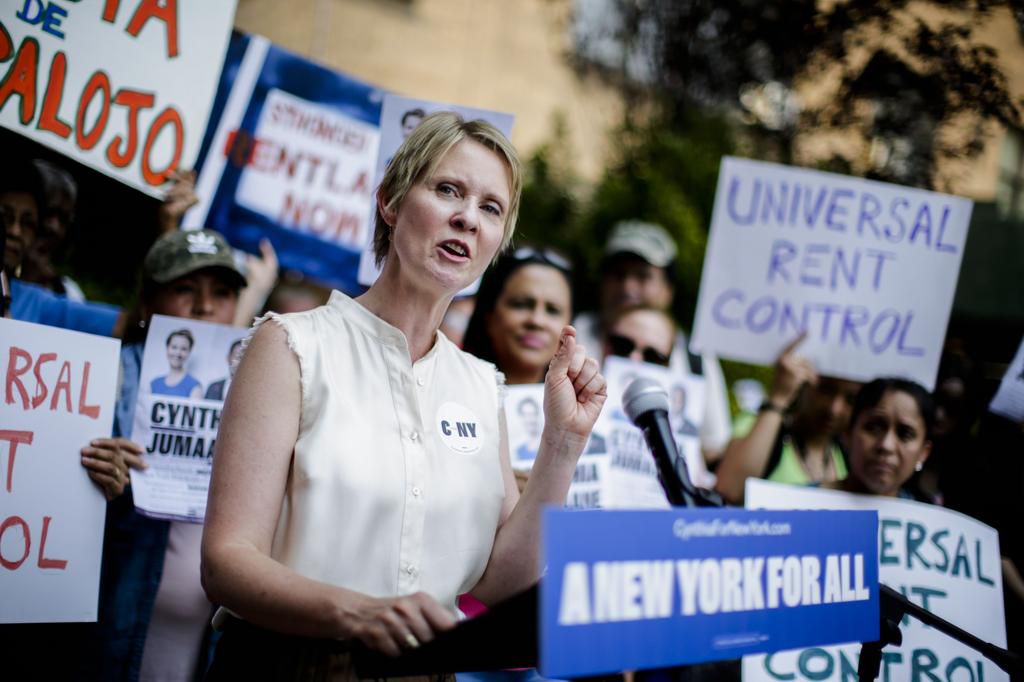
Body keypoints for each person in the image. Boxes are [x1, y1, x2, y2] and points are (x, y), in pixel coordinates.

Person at [201, 112, 606, 677]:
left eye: (491, 208)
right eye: (448, 190)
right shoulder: (291, 345)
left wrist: (563, 443)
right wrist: (359, 613)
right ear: (390, 202)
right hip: (287, 663)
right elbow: (225, 562)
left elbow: (498, 583)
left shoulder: (480, 384)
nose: (467, 218)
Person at [85, 228, 247, 682]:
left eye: (222, 293)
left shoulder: (258, 393)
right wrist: (95, 481)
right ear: (148, 303)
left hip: (206, 649)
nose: (205, 306)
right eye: (185, 290)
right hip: (112, 638)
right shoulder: (103, 378)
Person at [573, 220, 731, 465]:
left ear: (668, 289)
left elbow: (714, 447)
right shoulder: (570, 336)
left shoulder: (696, 357)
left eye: (642, 276)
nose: (628, 287)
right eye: (618, 275)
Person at [714, 335, 861, 505]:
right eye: (826, 390)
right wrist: (779, 398)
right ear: (804, 382)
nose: (834, 409)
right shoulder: (760, 424)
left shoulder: (849, 456)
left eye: (850, 399)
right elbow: (729, 490)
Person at [2, 160, 121, 334]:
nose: (15, 231)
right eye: (5, 216)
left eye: (27, 223)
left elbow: (129, 323)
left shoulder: (45, 302)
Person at [462, 246, 574, 384]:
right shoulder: (448, 383)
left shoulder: (582, 396)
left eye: (553, 310)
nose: (537, 321)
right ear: (489, 315)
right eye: (521, 304)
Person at [150, 328, 203, 398]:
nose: (178, 353)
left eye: (183, 349)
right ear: (167, 348)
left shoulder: (195, 387)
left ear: (189, 352)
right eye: (174, 347)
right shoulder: (154, 384)